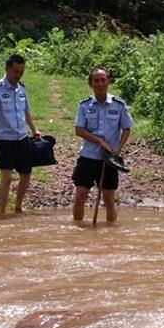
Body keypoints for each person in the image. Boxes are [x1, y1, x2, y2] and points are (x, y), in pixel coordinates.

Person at [0, 54, 41, 215]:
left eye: (21, 72)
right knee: (7, 177)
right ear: (7, 69)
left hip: (22, 137)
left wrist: (34, 130)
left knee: (26, 175)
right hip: (3, 139)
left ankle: (18, 206)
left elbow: (26, 111)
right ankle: (2, 212)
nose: (18, 75)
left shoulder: (22, 88)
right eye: (15, 71)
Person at [72, 68, 134, 223]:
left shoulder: (119, 105)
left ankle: (111, 238)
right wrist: (99, 141)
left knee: (109, 199)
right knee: (80, 195)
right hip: (88, 157)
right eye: (96, 80)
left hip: (109, 160)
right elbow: (79, 130)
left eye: (103, 80)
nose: (100, 83)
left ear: (109, 81)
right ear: (90, 84)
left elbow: (126, 129)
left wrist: (117, 151)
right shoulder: (85, 105)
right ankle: (77, 231)